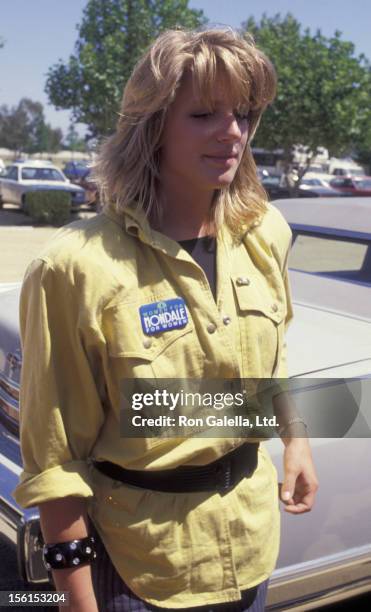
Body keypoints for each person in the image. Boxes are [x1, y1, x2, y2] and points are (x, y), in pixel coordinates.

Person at [13, 27, 318, 612]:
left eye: (244, 114)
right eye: (204, 113)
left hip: (253, 547)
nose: (233, 133)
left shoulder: (266, 233)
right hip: (142, 571)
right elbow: (55, 465)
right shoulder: (74, 267)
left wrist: (296, 440)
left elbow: (273, 359)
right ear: (151, 126)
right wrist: (79, 605)